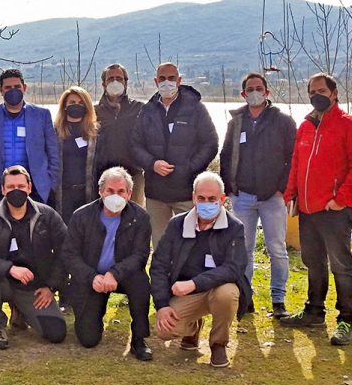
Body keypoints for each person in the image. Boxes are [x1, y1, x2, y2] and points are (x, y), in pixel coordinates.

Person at [280, 73, 352, 346]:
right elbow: (297, 162)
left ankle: (346, 321)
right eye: (311, 91)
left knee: (341, 266)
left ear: (333, 93)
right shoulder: (305, 127)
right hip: (307, 210)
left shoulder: (350, 126)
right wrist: (291, 195)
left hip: (334, 210)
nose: (315, 95)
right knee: (313, 263)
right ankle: (314, 311)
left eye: (321, 90)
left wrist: (341, 198)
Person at [150, 172, 251, 368]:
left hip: (217, 289)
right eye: (201, 198)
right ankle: (192, 328)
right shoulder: (177, 224)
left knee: (227, 294)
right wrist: (161, 305)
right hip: (188, 294)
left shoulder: (234, 227)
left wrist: (194, 283)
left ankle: (218, 344)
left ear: (222, 199)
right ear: (193, 197)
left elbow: (234, 267)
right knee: (165, 331)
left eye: (212, 199)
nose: (206, 203)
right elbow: (159, 264)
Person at [220, 73, 296, 318]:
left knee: (276, 248)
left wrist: (281, 188)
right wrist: (228, 187)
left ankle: (278, 299)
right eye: (250, 89)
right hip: (242, 197)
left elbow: (292, 157)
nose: (255, 92)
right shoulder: (236, 122)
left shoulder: (282, 121)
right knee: (244, 249)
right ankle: (246, 296)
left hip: (272, 197)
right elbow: (225, 155)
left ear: (267, 92)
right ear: (243, 94)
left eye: (259, 88)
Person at [0, 165, 67, 349]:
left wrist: (51, 286)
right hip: (1, 281)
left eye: (21, 187)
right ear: (3, 189)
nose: (16, 191)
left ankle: (20, 310)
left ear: (29, 188)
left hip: (32, 286)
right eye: (11, 187)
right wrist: (9, 268)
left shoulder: (48, 215)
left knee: (56, 333)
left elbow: (66, 251)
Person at [62, 167, 153, 361]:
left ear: (129, 194)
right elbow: (69, 255)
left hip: (123, 276)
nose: (115, 196)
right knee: (87, 339)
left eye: (121, 192)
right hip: (91, 277)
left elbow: (140, 255)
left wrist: (114, 273)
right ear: (100, 191)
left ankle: (139, 339)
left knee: (140, 283)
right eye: (110, 191)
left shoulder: (141, 218)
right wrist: (92, 277)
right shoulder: (81, 216)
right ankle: (95, 315)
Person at [131, 62, 218, 248]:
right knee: (160, 246)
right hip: (156, 193)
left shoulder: (195, 108)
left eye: (171, 78)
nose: (166, 82)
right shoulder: (147, 111)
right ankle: (162, 278)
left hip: (186, 191)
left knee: (190, 245)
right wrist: (152, 164)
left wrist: (189, 168)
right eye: (162, 79)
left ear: (179, 80)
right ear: (155, 81)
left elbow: (210, 144)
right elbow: (135, 145)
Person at [0, 69, 59, 206]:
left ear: (24, 87)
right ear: (1, 90)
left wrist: (51, 183)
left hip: (35, 189)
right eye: (8, 87)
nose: (12, 90)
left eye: (17, 87)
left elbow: (53, 153)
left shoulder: (41, 115)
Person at [95, 63, 145, 205]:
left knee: (135, 219)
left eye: (119, 78)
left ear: (126, 82)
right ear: (103, 84)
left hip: (133, 176)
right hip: (103, 178)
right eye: (111, 79)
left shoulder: (139, 109)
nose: (115, 82)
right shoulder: (94, 112)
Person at [53, 86, 100, 223]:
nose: (76, 106)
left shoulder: (95, 133)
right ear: (64, 105)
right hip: (63, 194)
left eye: (81, 103)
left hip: (88, 193)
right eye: (72, 102)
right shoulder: (54, 131)